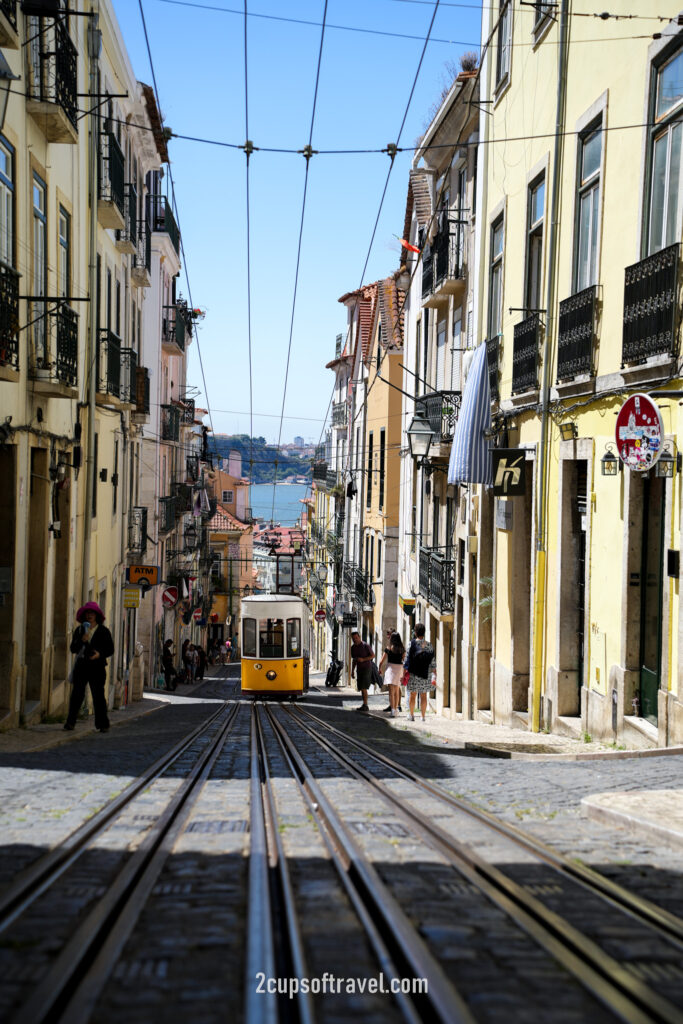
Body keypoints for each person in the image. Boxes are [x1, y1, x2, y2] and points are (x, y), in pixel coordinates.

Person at [64, 602, 115, 733]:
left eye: (92, 613)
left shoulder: (104, 631)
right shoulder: (80, 630)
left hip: (97, 668)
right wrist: (82, 640)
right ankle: (70, 723)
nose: (89, 615)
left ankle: (103, 724)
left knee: (98, 696)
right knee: (76, 695)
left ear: (97, 615)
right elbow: (73, 648)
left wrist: (99, 654)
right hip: (82, 667)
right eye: (87, 613)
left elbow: (110, 649)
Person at [403, 623, 435, 723]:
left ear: (415, 632)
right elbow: (432, 661)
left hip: (414, 673)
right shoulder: (429, 645)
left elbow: (407, 659)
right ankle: (423, 716)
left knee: (413, 694)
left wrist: (404, 672)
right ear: (424, 633)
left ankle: (411, 715)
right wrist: (434, 673)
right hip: (425, 673)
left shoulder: (411, 644)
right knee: (424, 695)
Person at [379, 631, 405, 718]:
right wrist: (404, 672)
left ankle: (393, 710)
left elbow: (382, 660)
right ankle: (396, 708)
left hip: (390, 669)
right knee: (397, 691)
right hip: (399, 669)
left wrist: (379, 668)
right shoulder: (402, 649)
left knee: (391, 692)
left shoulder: (388, 648)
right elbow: (404, 660)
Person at [350, 630, 374, 713]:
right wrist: (352, 671)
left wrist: (363, 659)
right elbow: (354, 660)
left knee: (363, 687)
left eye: (356, 638)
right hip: (359, 669)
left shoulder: (365, 645)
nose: (355, 640)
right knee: (361, 687)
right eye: (353, 639)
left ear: (359, 637)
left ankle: (365, 705)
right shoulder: (353, 648)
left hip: (366, 668)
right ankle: (364, 704)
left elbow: (372, 655)